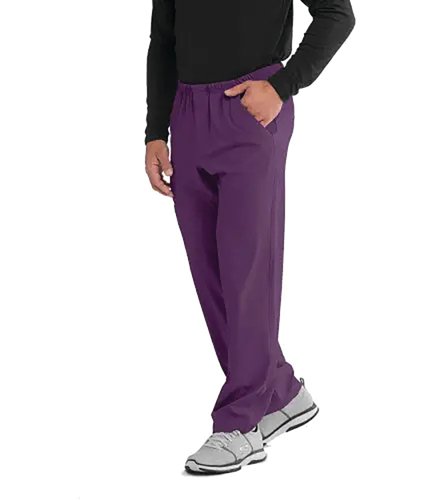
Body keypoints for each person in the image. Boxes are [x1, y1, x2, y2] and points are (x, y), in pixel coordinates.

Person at [144, 0, 355, 474]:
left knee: (247, 268)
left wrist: (283, 85)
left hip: (250, 107)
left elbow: (337, 14)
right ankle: (280, 391)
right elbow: (163, 38)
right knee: (212, 274)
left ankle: (240, 422)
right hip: (186, 112)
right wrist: (155, 129)